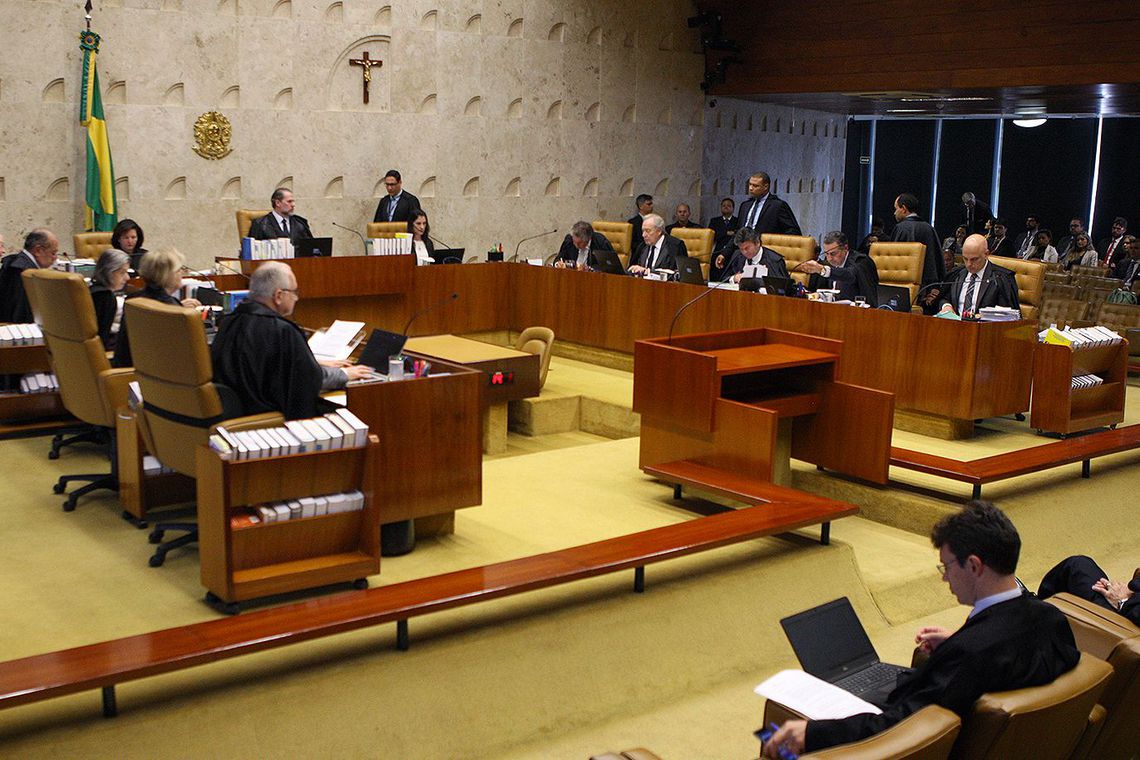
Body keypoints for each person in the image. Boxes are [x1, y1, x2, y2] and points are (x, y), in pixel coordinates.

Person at [763, 501, 1080, 758]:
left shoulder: (970, 654)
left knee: (781, 725)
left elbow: (898, 726)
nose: (944, 578)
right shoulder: (1050, 619)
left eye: (947, 566)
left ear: (974, 565)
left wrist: (813, 734)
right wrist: (956, 642)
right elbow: (1005, 652)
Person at [210, 261, 372, 419]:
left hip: (233, 411)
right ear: (279, 296)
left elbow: (264, 363)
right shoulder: (282, 330)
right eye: (294, 292)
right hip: (268, 418)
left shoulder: (229, 321)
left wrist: (315, 362)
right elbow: (309, 379)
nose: (296, 298)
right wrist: (344, 373)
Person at [112, 247, 201, 368]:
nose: (182, 273)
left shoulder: (133, 299)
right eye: (179, 269)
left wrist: (179, 305)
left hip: (135, 372)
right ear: (168, 275)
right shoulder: (171, 310)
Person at [1037, 555, 1139, 627]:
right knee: (1080, 565)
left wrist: (1123, 602)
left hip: (1129, 621)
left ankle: (1034, 616)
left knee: (1076, 567)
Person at [936, 234, 1020, 317]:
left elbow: (1009, 315)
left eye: (974, 259)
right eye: (965, 259)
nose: (969, 264)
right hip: (956, 327)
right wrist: (946, 306)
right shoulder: (956, 274)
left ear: (986, 254)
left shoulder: (1002, 278)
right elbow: (944, 298)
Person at [800, 231, 879, 305]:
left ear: (845, 248)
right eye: (827, 254)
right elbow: (835, 293)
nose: (829, 258)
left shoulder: (861, 262)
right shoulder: (831, 263)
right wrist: (820, 295)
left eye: (833, 253)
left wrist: (823, 270)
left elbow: (849, 275)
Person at [0, 228, 59, 324]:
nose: (55, 258)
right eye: (53, 253)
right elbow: (21, 314)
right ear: (38, 250)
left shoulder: (17, 261)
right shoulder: (24, 272)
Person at [892, 193, 946, 290]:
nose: (895, 213)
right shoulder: (929, 228)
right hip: (928, 286)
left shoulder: (901, 228)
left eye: (896, 209)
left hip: (904, 287)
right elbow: (937, 262)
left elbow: (893, 263)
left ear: (903, 208)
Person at [89, 248, 131, 351]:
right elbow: (102, 337)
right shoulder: (105, 297)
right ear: (109, 272)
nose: (127, 278)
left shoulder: (92, 290)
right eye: (122, 272)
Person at [736, 171, 802, 237]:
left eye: (755, 186)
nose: (750, 188)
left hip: (766, 245)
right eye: (750, 184)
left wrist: (773, 242)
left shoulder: (778, 205)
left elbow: (793, 231)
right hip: (743, 245)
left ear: (766, 187)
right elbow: (738, 231)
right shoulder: (745, 205)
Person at [717, 227, 789, 283]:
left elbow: (783, 287)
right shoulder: (738, 256)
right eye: (741, 249)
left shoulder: (774, 260)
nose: (744, 252)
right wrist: (734, 278)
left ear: (757, 243)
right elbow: (722, 280)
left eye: (747, 248)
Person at [248, 188, 313, 243]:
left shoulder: (300, 223)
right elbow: (250, 252)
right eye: (289, 201)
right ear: (277, 203)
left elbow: (311, 249)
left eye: (293, 201)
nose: (293, 205)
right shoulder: (260, 224)